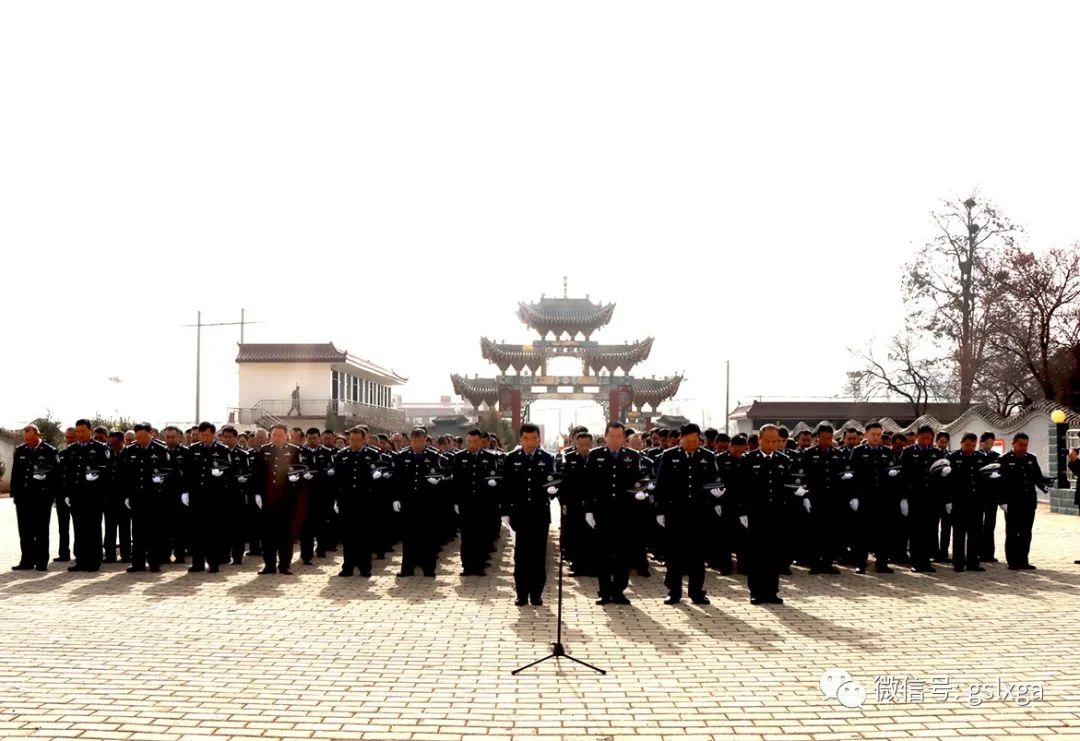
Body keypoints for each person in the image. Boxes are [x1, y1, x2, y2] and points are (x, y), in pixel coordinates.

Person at [654, 423, 721, 605]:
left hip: (700, 513)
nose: (692, 444)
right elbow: (661, 485)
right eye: (688, 441)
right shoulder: (669, 456)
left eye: (695, 441)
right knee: (674, 554)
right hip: (676, 512)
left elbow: (715, 480)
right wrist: (660, 510)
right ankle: (674, 591)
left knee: (697, 555)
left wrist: (716, 495)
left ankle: (696, 591)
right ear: (681, 439)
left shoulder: (707, 456)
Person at [585, 422, 645, 606]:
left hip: (624, 513)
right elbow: (588, 484)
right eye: (612, 436)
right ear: (606, 437)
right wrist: (588, 510)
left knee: (622, 554)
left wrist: (641, 492)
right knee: (603, 553)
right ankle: (604, 591)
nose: (616, 440)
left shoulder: (632, 456)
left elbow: (639, 480)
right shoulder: (595, 455)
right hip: (602, 512)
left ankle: (619, 590)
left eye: (620, 436)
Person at [502, 422, 557, 606]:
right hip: (519, 514)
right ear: (521, 439)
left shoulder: (548, 458)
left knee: (538, 555)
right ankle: (521, 593)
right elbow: (506, 487)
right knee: (521, 556)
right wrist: (505, 512)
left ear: (539, 439)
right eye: (526, 438)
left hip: (540, 513)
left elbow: (555, 481)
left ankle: (536, 594)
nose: (530, 442)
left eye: (534, 438)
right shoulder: (511, 458)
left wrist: (553, 491)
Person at [739, 424, 790, 605]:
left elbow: (787, 488)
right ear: (759, 440)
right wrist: (742, 512)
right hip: (755, 513)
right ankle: (756, 591)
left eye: (774, 441)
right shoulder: (748, 459)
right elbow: (741, 488)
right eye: (767, 441)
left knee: (773, 553)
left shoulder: (784, 460)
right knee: (756, 553)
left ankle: (771, 591)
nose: (771, 444)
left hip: (776, 514)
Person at [392, 427, 448, 578]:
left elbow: (446, 474)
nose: (417, 444)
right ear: (410, 441)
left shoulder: (435, 456)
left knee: (428, 536)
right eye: (414, 441)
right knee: (409, 536)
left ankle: (428, 568)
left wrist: (439, 481)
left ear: (426, 441)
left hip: (428, 502)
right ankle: (407, 568)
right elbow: (397, 479)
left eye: (420, 441)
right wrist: (396, 498)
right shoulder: (402, 456)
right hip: (409, 501)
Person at [120, 422, 173, 573]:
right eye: (138, 437)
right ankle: (138, 562)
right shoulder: (130, 450)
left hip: (155, 497)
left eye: (144, 436)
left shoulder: (161, 450)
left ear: (150, 433)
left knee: (154, 531)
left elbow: (169, 472)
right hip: (137, 497)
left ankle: (155, 562)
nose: (141, 439)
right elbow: (125, 475)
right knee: (137, 531)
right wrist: (126, 495)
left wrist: (162, 482)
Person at [61, 419, 111, 573]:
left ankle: (94, 561)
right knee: (79, 528)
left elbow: (107, 471)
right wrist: (67, 493)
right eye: (78, 431)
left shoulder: (100, 448)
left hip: (94, 496)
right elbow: (67, 474)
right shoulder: (72, 449)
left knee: (93, 528)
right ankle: (81, 560)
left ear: (90, 430)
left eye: (83, 431)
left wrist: (98, 479)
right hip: (77, 496)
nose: (80, 434)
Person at [846, 421, 897, 574]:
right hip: (864, 497)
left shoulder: (887, 452)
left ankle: (882, 563)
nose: (876, 437)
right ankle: (860, 563)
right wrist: (853, 496)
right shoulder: (858, 451)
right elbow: (851, 475)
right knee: (862, 532)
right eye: (873, 435)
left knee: (883, 532)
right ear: (866, 434)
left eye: (878, 435)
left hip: (882, 498)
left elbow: (894, 472)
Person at [450, 429, 502, 576]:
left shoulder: (490, 457)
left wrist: (494, 491)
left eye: (475, 441)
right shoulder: (459, 457)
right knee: (467, 536)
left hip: (483, 503)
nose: (472, 444)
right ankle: (467, 566)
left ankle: (479, 566)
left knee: (481, 535)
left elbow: (496, 478)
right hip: (466, 502)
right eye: (470, 441)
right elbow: (456, 482)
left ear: (481, 441)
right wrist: (455, 501)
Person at [333, 426, 383, 577]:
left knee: (364, 536)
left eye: (357, 440)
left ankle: (364, 566)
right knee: (348, 536)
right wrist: (336, 499)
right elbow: (337, 480)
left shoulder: (373, 454)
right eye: (351, 440)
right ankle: (348, 566)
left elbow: (378, 479)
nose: (354, 443)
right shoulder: (342, 455)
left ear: (364, 440)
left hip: (365, 502)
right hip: (347, 501)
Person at [254, 423, 303, 575]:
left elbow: (300, 471)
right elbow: (257, 473)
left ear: (286, 436)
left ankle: (284, 564)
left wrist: (297, 479)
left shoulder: (294, 450)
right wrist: (257, 494)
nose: (277, 438)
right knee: (267, 534)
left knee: (285, 534)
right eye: (274, 435)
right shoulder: (264, 450)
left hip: (286, 499)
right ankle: (269, 564)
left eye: (280, 435)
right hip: (268, 498)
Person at [10, 424, 60, 571]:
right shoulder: (21, 450)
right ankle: (26, 561)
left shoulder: (49, 451)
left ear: (38, 435)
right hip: (23, 498)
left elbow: (57, 473)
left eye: (31, 440)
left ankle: (41, 561)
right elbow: (16, 474)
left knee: (41, 530)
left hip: (42, 498)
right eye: (26, 440)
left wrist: (47, 480)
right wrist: (15, 494)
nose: (29, 443)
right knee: (25, 531)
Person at [185, 421, 233, 573]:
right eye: (202, 435)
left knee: (213, 531)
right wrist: (185, 491)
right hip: (197, 496)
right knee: (196, 531)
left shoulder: (222, 450)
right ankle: (197, 563)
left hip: (215, 497)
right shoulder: (193, 449)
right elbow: (188, 472)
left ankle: (213, 563)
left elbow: (230, 472)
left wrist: (221, 475)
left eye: (207, 435)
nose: (204, 437)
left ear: (213, 434)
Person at [899, 425, 947, 572]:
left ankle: (926, 561)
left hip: (931, 498)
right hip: (915, 498)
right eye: (923, 437)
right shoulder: (908, 452)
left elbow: (940, 476)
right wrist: (904, 498)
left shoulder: (936, 453)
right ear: (917, 437)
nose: (926, 441)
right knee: (915, 531)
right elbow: (903, 476)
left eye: (929, 438)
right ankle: (916, 561)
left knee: (930, 531)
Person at [998, 432, 1044, 570]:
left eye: (1026, 445)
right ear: (1013, 444)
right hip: (1012, 502)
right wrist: (1002, 501)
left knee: (1026, 532)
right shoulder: (1004, 459)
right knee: (1012, 532)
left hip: (1028, 501)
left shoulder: (1031, 458)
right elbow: (1000, 483)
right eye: (1021, 445)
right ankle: (1012, 561)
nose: (1023, 448)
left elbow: (1037, 477)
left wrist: (1046, 483)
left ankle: (1023, 560)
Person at [944, 433, 988, 573]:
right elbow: (947, 482)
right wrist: (948, 500)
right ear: (962, 443)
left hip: (976, 502)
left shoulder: (980, 458)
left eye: (973, 446)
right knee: (959, 534)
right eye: (967, 445)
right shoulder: (952, 458)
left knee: (975, 533)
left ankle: (973, 562)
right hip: (959, 502)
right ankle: (958, 563)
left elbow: (983, 480)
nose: (970, 448)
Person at [53, 426, 77, 562]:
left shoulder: (81, 453)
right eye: (67, 437)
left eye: (71, 437)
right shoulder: (60, 454)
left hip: (76, 496)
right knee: (63, 527)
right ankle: (64, 553)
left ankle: (79, 552)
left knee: (79, 526)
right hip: (62, 496)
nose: (69, 440)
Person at [977, 431, 1002, 562]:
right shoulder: (976, 456)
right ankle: (978, 552)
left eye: (992, 443)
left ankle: (989, 553)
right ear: (981, 443)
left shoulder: (997, 456)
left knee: (990, 525)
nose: (989, 445)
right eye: (987, 443)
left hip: (992, 495)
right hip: (980, 495)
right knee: (978, 524)